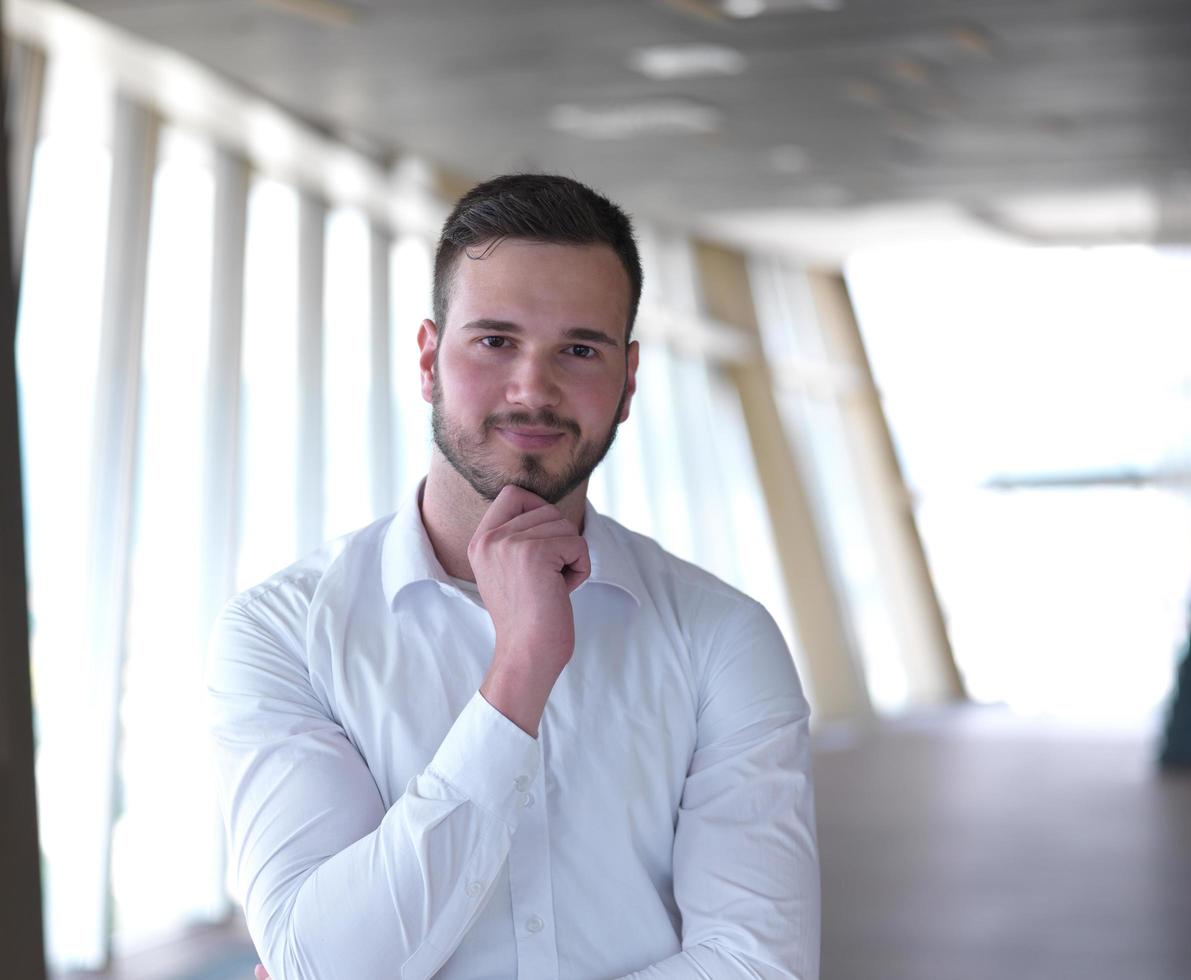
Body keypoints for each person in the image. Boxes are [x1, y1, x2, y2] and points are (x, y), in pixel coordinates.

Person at [207, 173, 820, 980]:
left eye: (579, 349)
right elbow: (317, 963)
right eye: (495, 341)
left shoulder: (721, 637)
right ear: (429, 360)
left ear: (628, 381)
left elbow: (757, 969)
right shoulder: (284, 634)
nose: (533, 389)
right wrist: (519, 672)